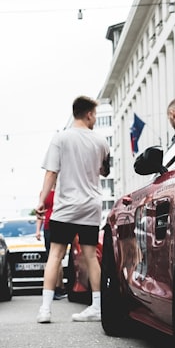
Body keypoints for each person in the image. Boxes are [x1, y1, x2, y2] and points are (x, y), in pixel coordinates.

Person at [34, 95, 110, 323]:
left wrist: (42, 199)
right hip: (90, 206)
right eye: (95, 115)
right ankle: (97, 307)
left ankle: (46, 310)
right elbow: (105, 172)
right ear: (88, 114)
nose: (95, 119)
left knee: (55, 255)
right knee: (90, 256)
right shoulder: (101, 142)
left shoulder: (61, 139)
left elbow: (51, 172)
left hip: (66, 206)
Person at [34, 188, 66, 300]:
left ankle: (59, 287)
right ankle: (57, 288)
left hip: (53, 226)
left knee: (54, 258)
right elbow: (40, 214)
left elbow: (40, 213)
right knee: (56, 258)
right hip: (55, 226)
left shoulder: (46, 192)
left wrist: (38, 230)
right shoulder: (59, 191)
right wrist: (38, 230)